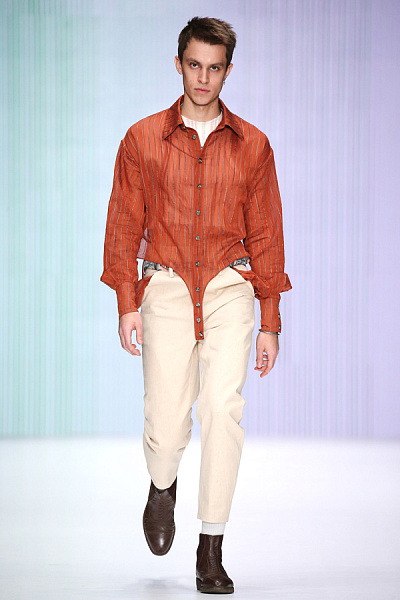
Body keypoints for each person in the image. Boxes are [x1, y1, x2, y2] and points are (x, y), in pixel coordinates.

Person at [101, 16, 291, 594]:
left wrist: (270, 320)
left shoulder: (253, 145)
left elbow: (267, 233)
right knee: (165, 420)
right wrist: (126, 302)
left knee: (222, 409)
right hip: (165, 285)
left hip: (230, 286)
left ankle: (211, 546)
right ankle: (163, 484)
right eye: (194, 65)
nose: (203, 78)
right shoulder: (141, 139)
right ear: (178, 64)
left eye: (215, 68)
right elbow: (124, 222)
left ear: (228, 71)